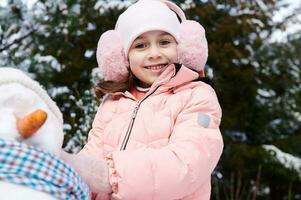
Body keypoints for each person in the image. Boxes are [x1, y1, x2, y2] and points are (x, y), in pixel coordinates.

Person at [61, 0, 223, 199]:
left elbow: (188, 162)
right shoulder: (112, 103)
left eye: (164, 42)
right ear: (123, 58)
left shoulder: (196, 95)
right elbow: (91, 158)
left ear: (183, 48)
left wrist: (111, 176)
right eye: (141, 45)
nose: (154, 54)